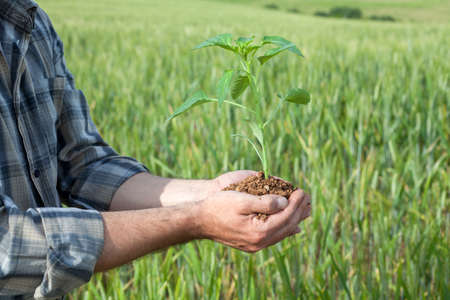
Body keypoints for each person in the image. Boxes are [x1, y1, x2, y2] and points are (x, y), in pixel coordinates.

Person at [0, 0, 311, 299]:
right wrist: (196, 219)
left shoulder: (28, 20)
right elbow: (6, 245)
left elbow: (83, 165)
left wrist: (211, 192)